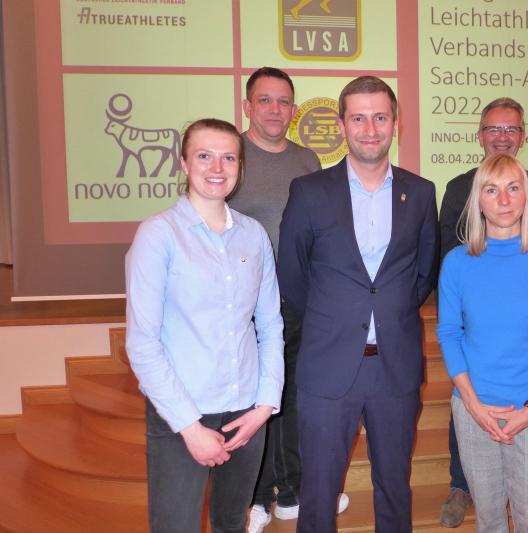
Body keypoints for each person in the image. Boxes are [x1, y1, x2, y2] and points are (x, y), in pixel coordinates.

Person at [277, 76, 438, 533]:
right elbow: (292, 274)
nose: (370, 129)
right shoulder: (309, 191)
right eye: (359, 118)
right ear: (342, 124)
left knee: (394, 485)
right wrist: (337, 316)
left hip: (395, 365)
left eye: (380, 117)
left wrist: (387, 312)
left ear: (395, 123)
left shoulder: (420, 192)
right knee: (318, 491)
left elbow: (423, 274)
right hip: (327, 364)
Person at [125, 118, 285, 533]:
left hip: (246, 412)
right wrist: (190, 428)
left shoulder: (254, 235)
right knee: (175, 526)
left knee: (231, 523)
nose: (217, 168)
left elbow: (270, 325)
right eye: (204, 156)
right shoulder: (158, 235)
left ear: (240, 166)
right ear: (184, 163)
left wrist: (264, 405)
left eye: (228, 158)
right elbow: (142, 344)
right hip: (182, 411)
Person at [228, 66, 348, 533]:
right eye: (265, 100)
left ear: (294, 110)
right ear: (247, 106)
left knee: (294, 397)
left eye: (283, 102)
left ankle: (294, 492)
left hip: (300, 300)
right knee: (254, 400)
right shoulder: (231, 156)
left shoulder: (308, 160)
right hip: (245, 305)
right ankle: (256, 498)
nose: (275, 110)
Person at [437, 97, 528, 528]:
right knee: (488, 512)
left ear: (523, 137)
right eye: (494, 128)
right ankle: (462, 485)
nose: (504, 200)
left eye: (511, 129)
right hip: (477, 387)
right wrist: (472, 403)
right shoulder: (458, 243)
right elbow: (450, 327)